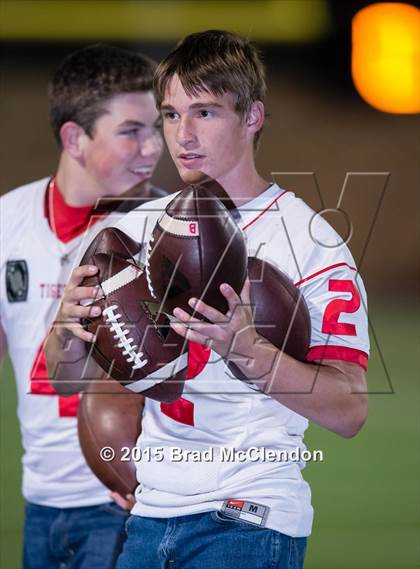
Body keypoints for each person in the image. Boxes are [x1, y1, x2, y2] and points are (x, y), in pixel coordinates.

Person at [48, 31, 369, 569]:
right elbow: (64, 378)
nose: (183, 135)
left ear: (252, 118)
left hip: (248, 517)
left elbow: (351, 410)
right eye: (171, 115)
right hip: (149, 516)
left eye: (205, 113)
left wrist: (250, 351)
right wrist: (68, 329)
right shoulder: (133, 227)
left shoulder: (311, 241)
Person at [0, 43, 164, 569]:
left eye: (157, 127)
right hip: (41, 498)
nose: (153, 147)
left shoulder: (171, 232)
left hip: (129, 500)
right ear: (75, 138)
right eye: (132, 130)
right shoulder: (7, 220)